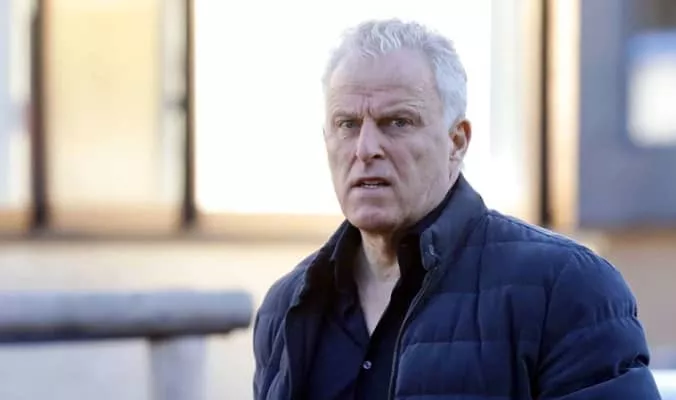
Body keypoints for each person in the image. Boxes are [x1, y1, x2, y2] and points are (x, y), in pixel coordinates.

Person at [253, 18, 661, 400]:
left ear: (457, 141)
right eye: (347, 124)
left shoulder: (566, 287)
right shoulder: (287, 306)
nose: (366, 149)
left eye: (397, 122)